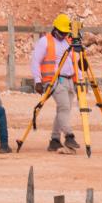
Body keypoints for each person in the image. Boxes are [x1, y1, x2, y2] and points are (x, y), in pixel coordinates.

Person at [27, 14, 82, 153]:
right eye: (62, 32)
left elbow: (75, 62)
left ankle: (54, 141)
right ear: (55, 29)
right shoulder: (45, 41)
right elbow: (35, 62)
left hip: (69, 80)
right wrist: (37, 81)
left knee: (63, 111)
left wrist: (79, 80)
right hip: (53, 80)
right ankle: (69, 136)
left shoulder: (68, 41)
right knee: (64, 107)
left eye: (66, 32)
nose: (64, 35)